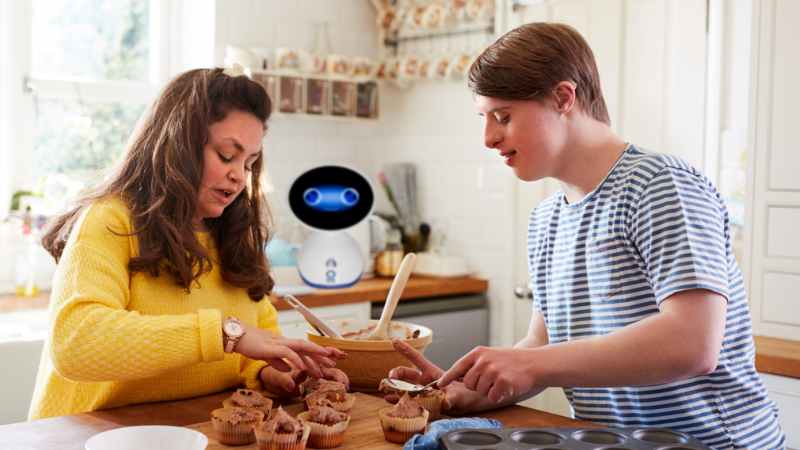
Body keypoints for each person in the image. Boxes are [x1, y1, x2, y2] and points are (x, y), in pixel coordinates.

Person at [388, 23, 785, 449]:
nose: (488, 138)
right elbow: (542, 345)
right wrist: (472, 390)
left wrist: (530, 363)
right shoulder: (546, 220)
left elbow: (693, 344)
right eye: (483, 119)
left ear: (563, 97)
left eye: (503, 116)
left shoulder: (660, 185)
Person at [29, 67, 347, 420]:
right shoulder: (109, 219)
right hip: (86, 435)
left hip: (189, 432)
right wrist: (224, 334)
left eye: (249, 163)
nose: (239, 176)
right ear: (178, 145)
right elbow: (76, 343)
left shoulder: (234, 234)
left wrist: (270, 372)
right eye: (226, 155)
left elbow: (256, 342)